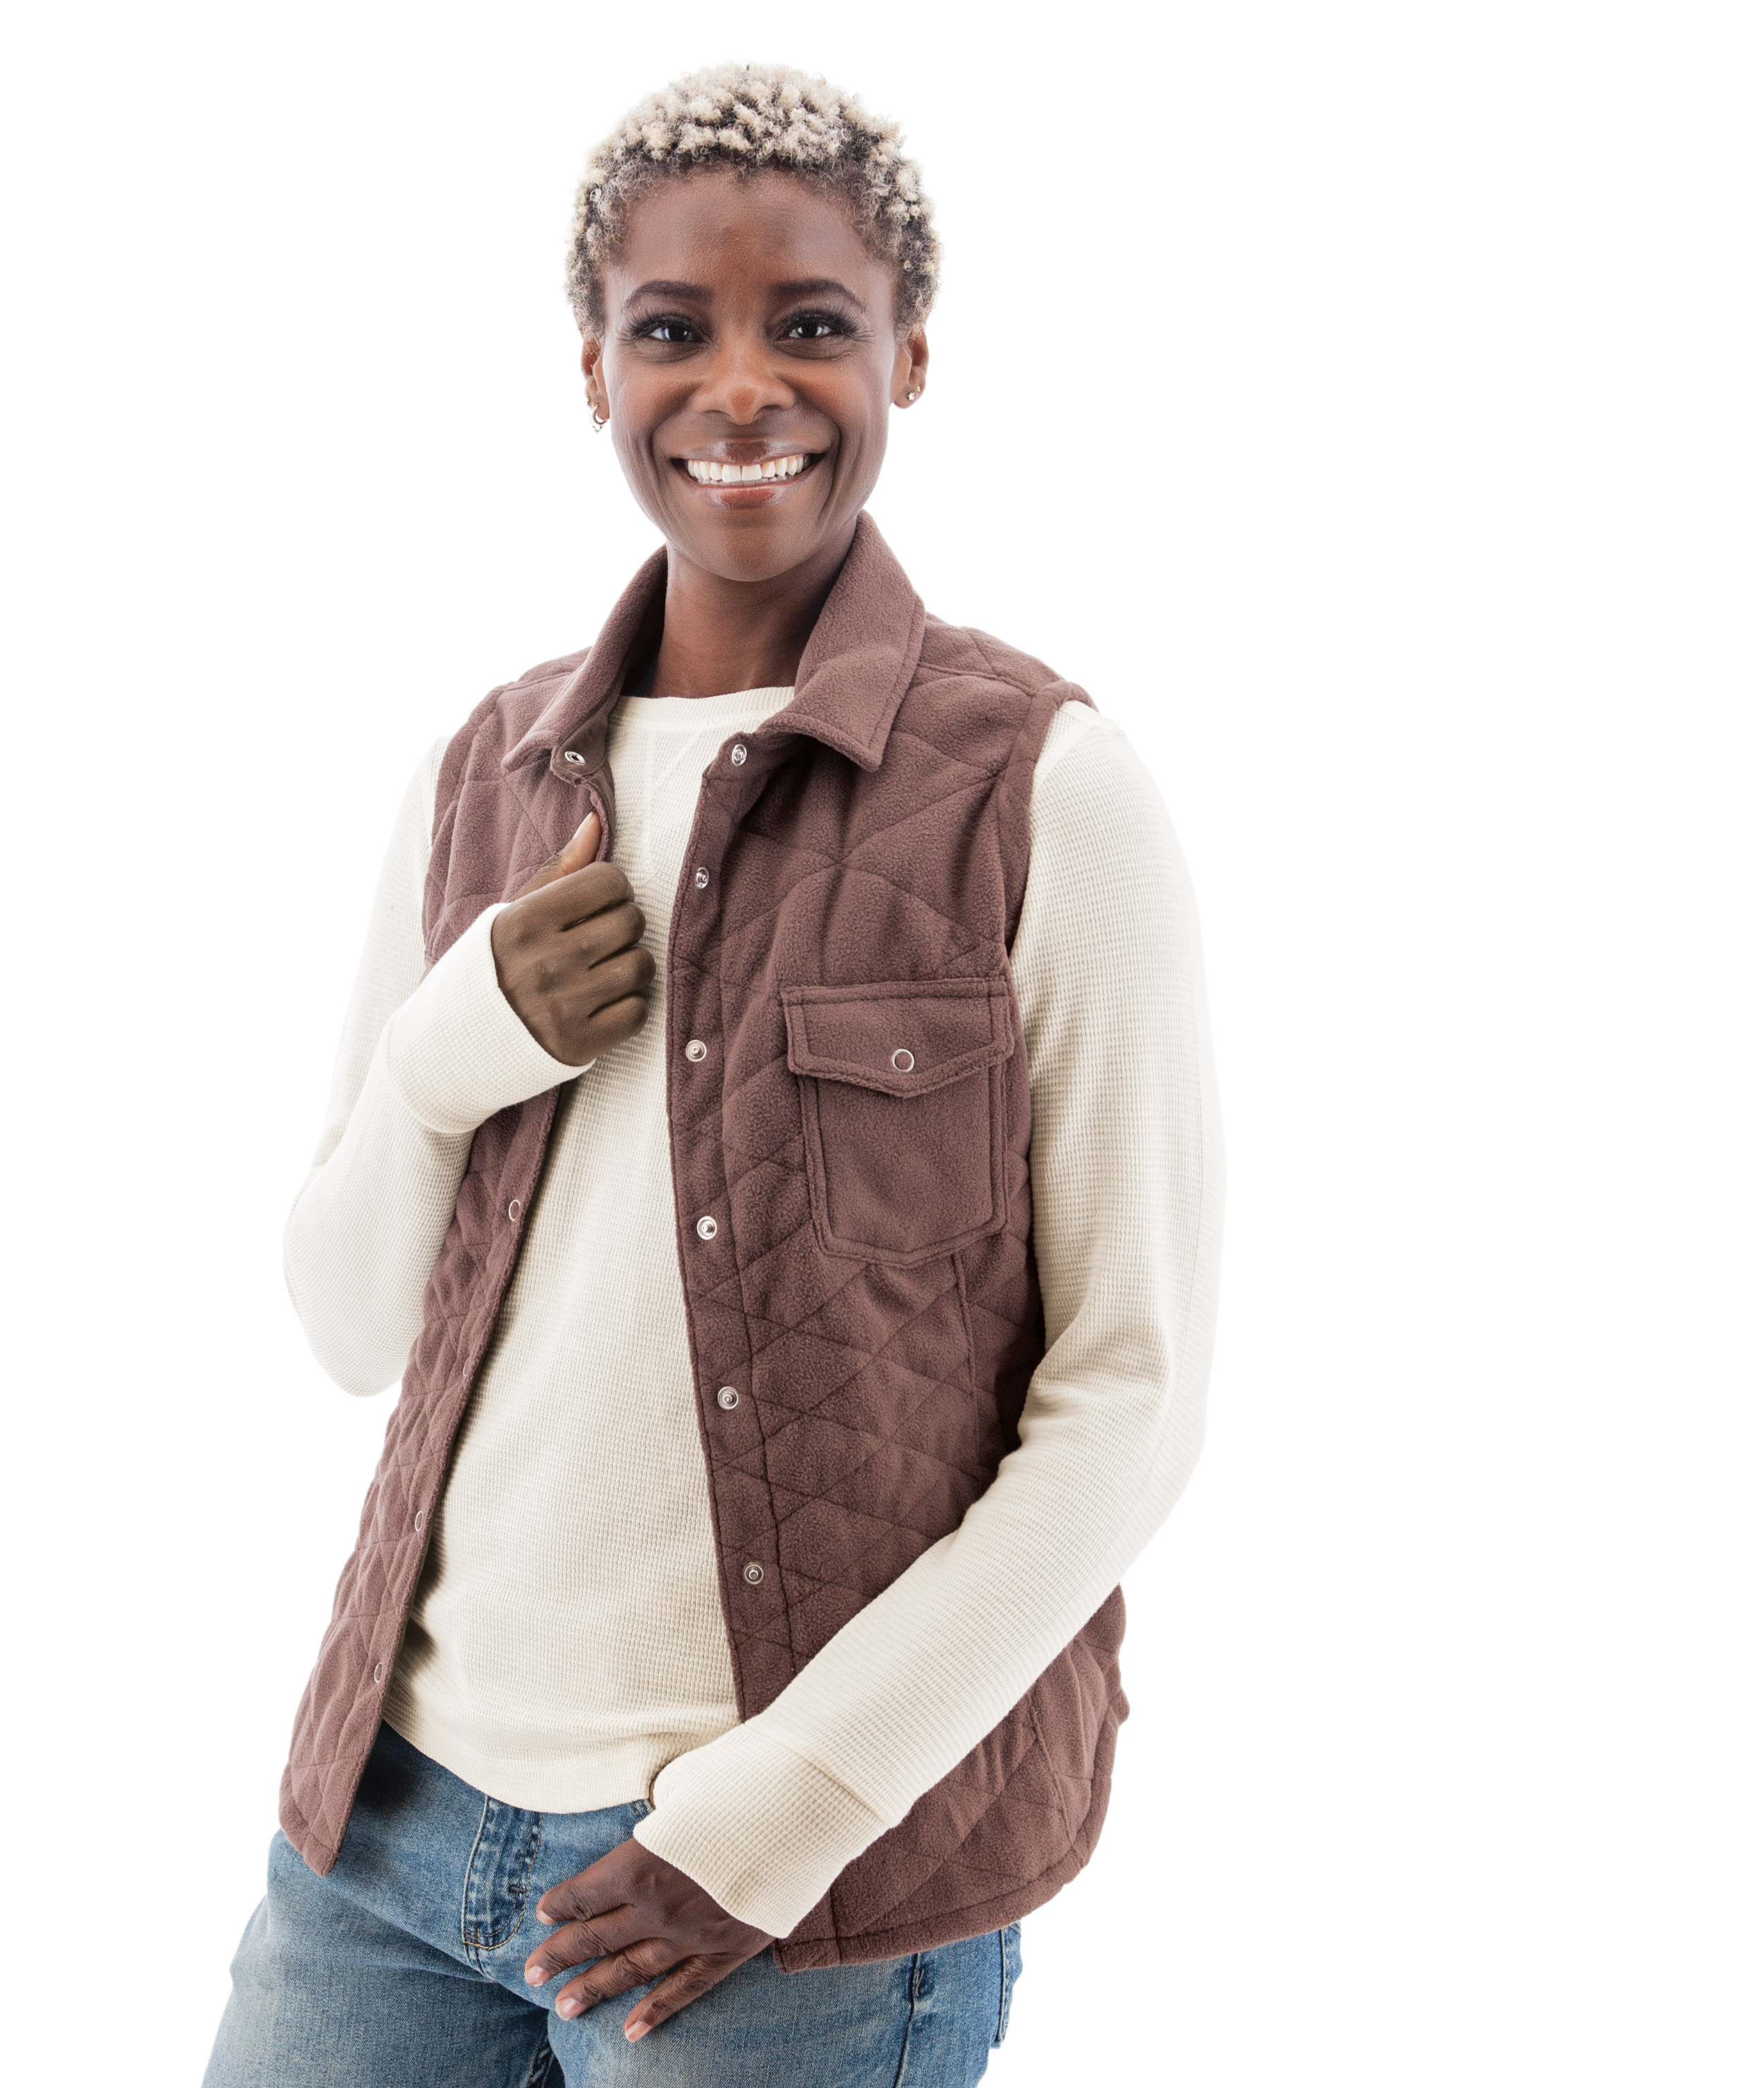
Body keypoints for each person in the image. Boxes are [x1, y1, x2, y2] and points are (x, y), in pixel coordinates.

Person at [204, 61, 1223, 2088]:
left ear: (908, 352)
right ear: (593, 367)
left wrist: (777, 1816)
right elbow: (343, 1327)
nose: (739, 387)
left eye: (811, 324)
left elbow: (1132, 1398)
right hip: (388, 1835)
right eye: (671, 328)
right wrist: (444, 1058)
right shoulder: (483, 776)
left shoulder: (1042, 789)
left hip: (781, 1903)